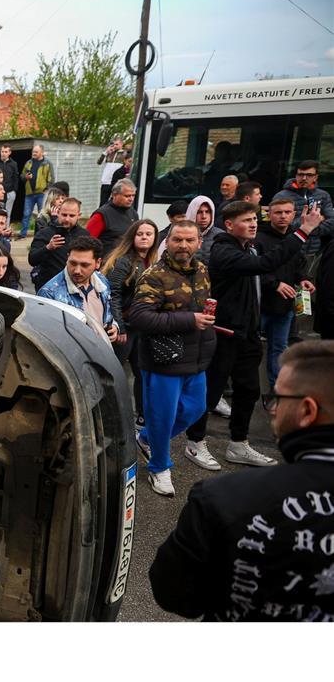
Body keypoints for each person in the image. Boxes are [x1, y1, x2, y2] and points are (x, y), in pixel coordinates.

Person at [149, 340, 334, 621]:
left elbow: (173, 593)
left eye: (278, 399)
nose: (271, 409)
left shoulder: (224, 499)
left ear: (307, 411)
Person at [184, 201, 323, 471]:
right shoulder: (224, 251)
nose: (253, 224)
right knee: (210, 393)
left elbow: (273, 265)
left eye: (253, 219)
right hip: (224, 333)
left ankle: (238, 443)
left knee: (248, 391)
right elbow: (267, 263)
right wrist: (304, 230)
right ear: (228, 225)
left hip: (247, 334)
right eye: (246, 220)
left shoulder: (251, 246)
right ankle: (195, 442)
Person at [124, 219, 215, 496]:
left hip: (196, 358)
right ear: (168, 241)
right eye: (178, 240)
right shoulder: (154, 275)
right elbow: (139, 316)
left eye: (189, 240)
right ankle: (159, 467)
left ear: (199, 243)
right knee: (162, 417)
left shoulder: (201, 270)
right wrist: (190, 320)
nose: (183, 246)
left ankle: (149, 438)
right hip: (163, 361)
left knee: (196, 409)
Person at [105, 219, 160, 427]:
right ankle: (110, 416)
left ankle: (142, 416)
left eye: (149, 234)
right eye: (140, 234)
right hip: (125, 327)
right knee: (114, 373)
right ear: (132, 237)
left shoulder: (154, 261)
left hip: (143, 327)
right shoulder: (123, 261)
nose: (144, 237)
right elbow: (113, 293)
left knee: (142, 373)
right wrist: (118, 323)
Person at [257, 198, 314, 391]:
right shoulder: (259, 238)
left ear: (294, 215)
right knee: (248, 351)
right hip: (260, 305)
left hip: (285, 305)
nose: (283, 216)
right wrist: (274, 284)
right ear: (269, 214)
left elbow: (297, 266)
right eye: (278, 212)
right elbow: (255, 269)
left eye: (287, 212)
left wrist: (304, 279)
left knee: (279, 349)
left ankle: (277, 390)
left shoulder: (295, 237)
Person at [37, 236, 120, 343]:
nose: (77, 270)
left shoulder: (102, 281)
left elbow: (107, 314)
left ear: (98, 263)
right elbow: (45, 335)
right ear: (67, 258)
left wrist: (114, 326)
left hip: (101, 351)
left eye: (84, 265)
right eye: (73, 263)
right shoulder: (50, 293)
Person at [29, 197, 86, 291]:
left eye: (71, 216)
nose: (67, 219)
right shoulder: (45, 233)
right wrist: (48, 248)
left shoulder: (84, 235)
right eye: (64, 215)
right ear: (58, 213)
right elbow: (32, 259)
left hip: (76, 287)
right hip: (49, 288)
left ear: (78, 215)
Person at [86, 179, 139, 257]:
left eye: (133, 195)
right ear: (114, 195)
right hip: (107, 261)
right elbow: (87, 241)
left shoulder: (133, 213)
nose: (131, 199)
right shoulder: (101, 215)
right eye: (127, 196)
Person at [17, 144, 54, 239]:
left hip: (41, 193)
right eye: (33, 151)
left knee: (42, 215)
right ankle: (23, 234)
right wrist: (26, 177)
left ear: (41, 152)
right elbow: (21, 176)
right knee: (26, 214)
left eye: (36, 152)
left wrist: (46, 189)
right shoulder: (28, 163)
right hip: (29, 193)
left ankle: (41, 234)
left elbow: (51, 178)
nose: (34, 153)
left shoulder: (47, 163)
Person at [0, 144, 20, 221]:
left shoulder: (13, 164)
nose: (3, 153)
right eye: (2, 151)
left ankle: (5, 230)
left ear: (9, 153)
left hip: (9, 192)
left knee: (7, 213)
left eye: (5, 152)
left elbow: (15, 177)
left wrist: (14, 190)